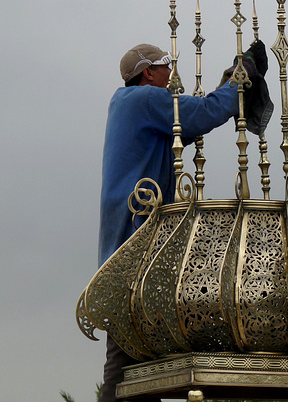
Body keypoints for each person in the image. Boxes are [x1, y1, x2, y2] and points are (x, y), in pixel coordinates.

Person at [98, 41, 268, 402]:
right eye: (165, 67)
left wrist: (227, 83)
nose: (171, 75)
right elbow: (200, 114)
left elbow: (185, 129)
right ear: (148, 74)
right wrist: (240, 77)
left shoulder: (123, 103)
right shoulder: (145, 99)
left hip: (122, 247)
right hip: (137, 242)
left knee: (130, 356)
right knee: (131, 357)